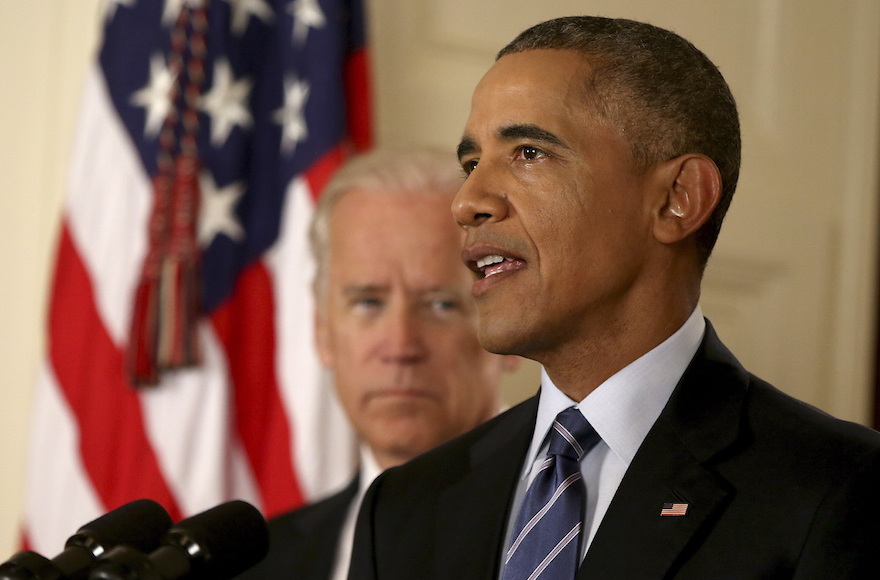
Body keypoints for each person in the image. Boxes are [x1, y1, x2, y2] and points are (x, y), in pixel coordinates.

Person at [348, 16, 880, 579]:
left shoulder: (840, 491)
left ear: (677, 198)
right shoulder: (404, 507)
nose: (466, 201)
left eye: (528, 152)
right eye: (471, 163)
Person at [236, 149, 518, 580]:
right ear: (322, 329)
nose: (401, 346)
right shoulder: (258, 565)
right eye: (367, 302)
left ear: (511, 327)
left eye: (441, 304)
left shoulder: (567, 534)